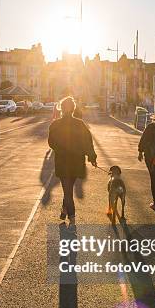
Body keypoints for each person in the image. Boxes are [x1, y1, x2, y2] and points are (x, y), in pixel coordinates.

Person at [48, 96, 97, 225]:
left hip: (62, 163)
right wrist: (92, 157)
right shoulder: (80, 124)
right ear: (73, 108)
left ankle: (72, 216)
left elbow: (51, 142)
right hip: (76, 162)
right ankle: (65, 211)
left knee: (67, 190)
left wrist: (61, 149)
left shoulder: (55, 124)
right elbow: (88, 142)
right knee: (68, 189)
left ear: (62, 109)